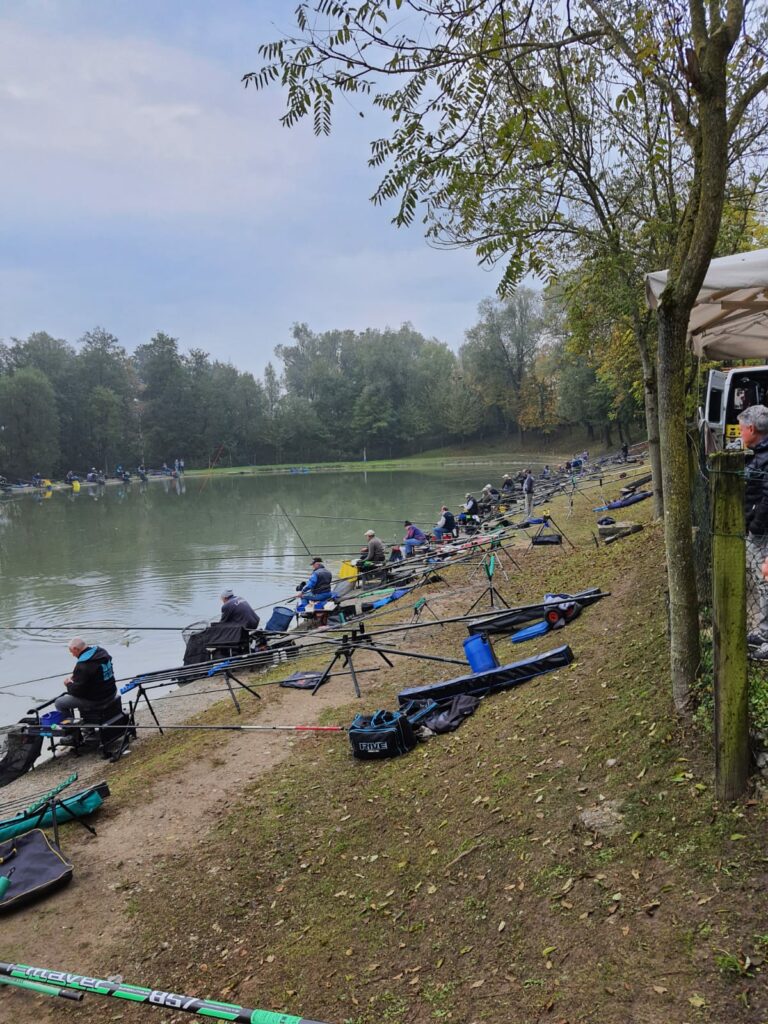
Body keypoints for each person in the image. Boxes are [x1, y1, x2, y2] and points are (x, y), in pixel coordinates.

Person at [738, 406, 768, 652]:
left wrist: (756, 526)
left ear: (751, 429)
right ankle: (762, 631)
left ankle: (767, 638)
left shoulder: (766, 456)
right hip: (757, 530)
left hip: (762, 532)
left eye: (741, 428)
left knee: (765, 580)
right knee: (761, 581)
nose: (739, 433)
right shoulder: (758, 453)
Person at [55, 638, 117, 719]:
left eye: (72, 652)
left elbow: (77, 692)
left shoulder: (83, 665)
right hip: (112, 692)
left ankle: (71, 727)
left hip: (98, 700)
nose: (73, 655)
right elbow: (97, 673)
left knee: (59, 703)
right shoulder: (102, 652)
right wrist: (77, 677)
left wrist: (68, 683)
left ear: (75, 649)